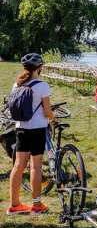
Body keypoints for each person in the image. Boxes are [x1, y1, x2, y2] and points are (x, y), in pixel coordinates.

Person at [7, 53, 56, 215]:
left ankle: (14, 205)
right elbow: (48, 111)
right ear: (40, 67)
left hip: (20, 128)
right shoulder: (42, 86)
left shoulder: (17, 85)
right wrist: (53, 119)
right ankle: (37, 205)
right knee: (35, 166)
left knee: (18, 166)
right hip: (37, 129)